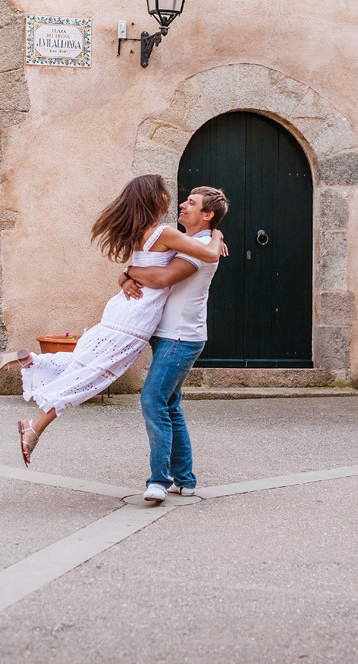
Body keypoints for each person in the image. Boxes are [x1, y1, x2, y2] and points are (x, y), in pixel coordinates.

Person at [0, 174, 224, 467]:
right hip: (136, 320)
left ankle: (31, 363)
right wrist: (217, 235)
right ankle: (34, 425)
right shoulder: (164, 233)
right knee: (93, 374)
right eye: (165, 192)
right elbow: (208, 256)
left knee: (84, 362)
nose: (173, 198)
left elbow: (142, 266)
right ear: (154, 200)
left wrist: (127, 274)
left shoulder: (143, 232)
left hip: (121, 310)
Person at [120, 186, 228, 503]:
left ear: (206, 215)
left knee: (152, 399)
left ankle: (159, 479)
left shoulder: (201, 245)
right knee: (169, 405)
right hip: (168, 334)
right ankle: (185, 478)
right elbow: (150, 272)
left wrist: (128, 272)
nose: (182, 205)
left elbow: (164, 277)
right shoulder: (194, 242)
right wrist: (126, 277)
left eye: (191, 203)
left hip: (180, 337)